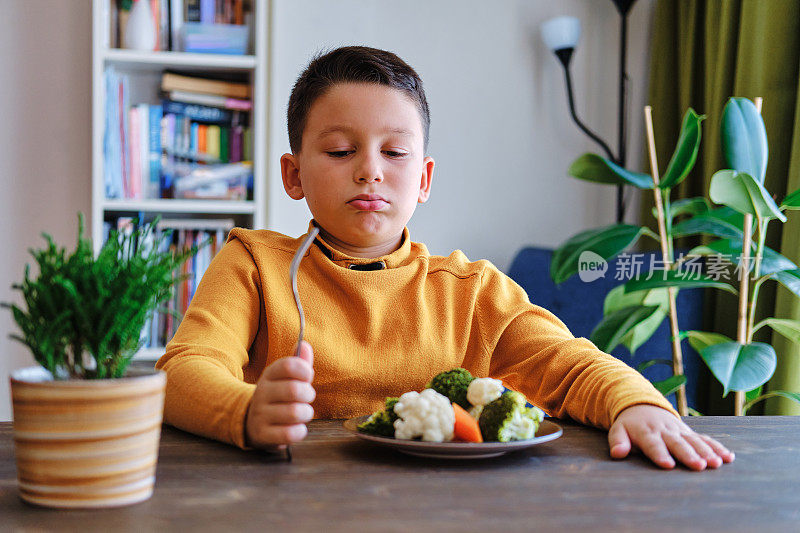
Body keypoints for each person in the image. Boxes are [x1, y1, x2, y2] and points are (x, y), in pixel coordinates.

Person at [156, 46, 734, 471]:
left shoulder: (469, 290)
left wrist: (634, 403)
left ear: (424, 178)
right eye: (339, 150)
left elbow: (568, 363)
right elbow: (182, 371)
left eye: (395, 151)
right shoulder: (252, 265)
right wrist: (246, 411)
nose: (370, 170)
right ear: (293, 174)